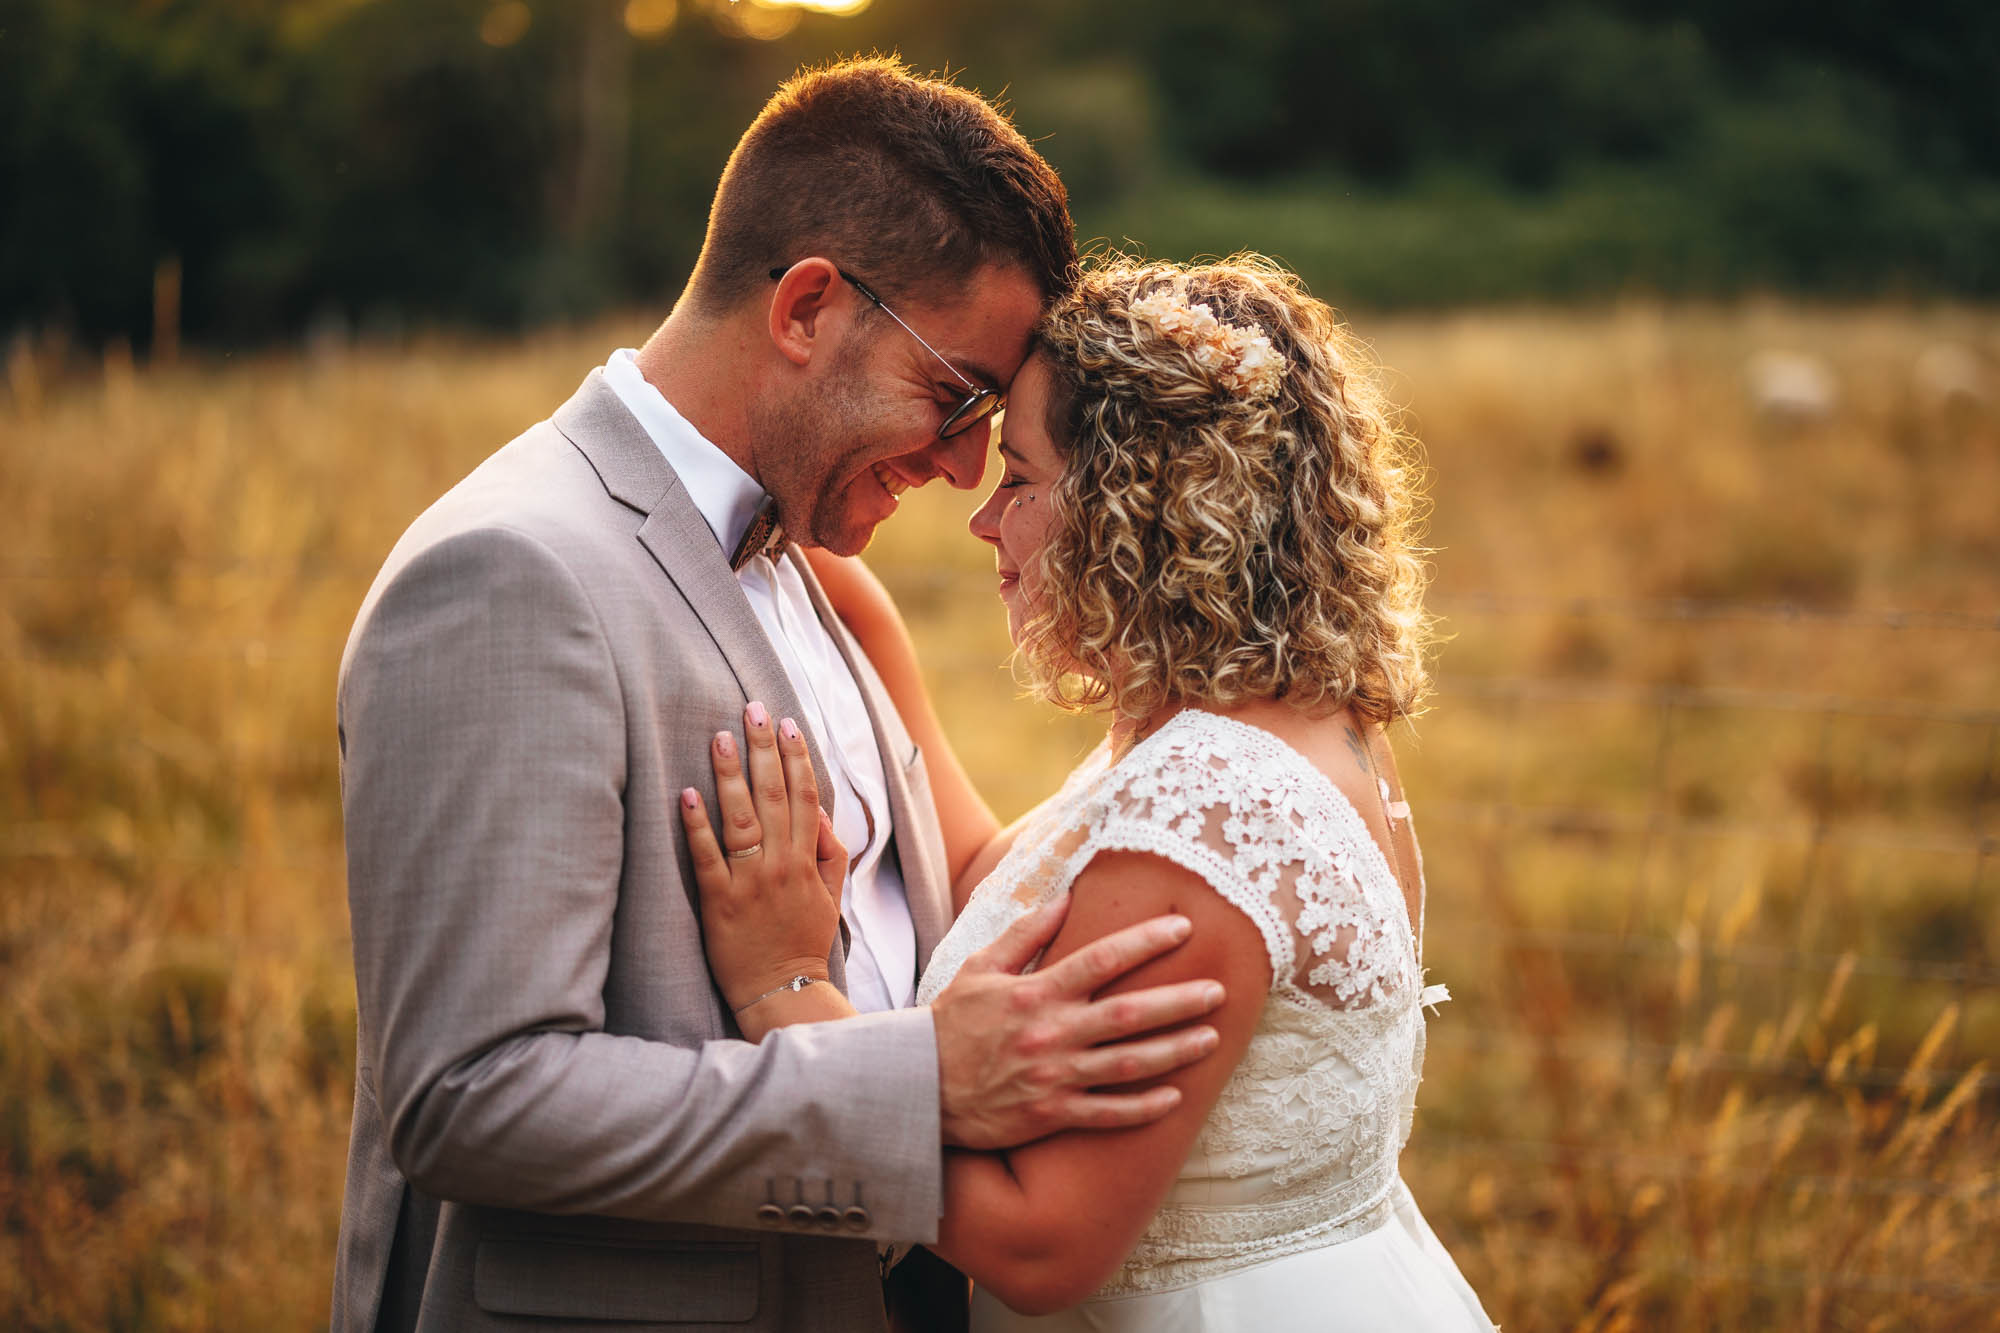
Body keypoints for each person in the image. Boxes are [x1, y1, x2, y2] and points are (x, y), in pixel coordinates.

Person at [331, 61, 1231, 1333]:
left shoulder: (809, 565)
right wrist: (912, 1084)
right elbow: (470, 1098)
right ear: (809, 306)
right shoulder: (511, 574)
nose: (967, 462)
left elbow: (938, 892)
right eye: (953, 393)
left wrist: (1239, 763)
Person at [685, 256, 1497, 1330]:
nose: (985, 521)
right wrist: (834, 585)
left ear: (1137, 514)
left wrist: (787, 994)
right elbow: (1002, 881)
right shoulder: (1282, 723)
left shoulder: (1210, 809)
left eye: (1017, 478)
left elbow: (1041, 1239)